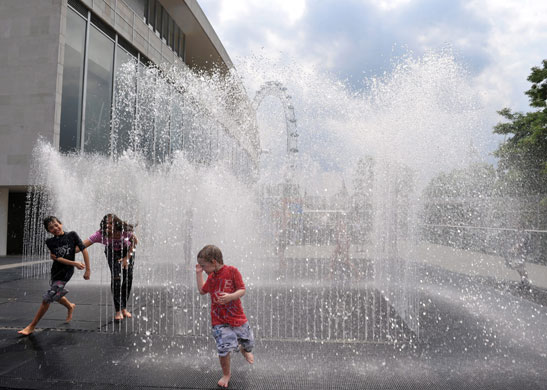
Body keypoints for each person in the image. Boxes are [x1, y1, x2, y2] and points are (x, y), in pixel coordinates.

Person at [18, 216, 91, 336]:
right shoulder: (50, 242)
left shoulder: (72, 235)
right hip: (56, 271)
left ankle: (32, 326)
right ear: (48, 231)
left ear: (61, 224)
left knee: (48, 297)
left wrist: (88, 270)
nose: (55, 228)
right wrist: (75, 263)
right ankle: (70, 306)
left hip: (66, 272)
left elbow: (84, 250)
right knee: (56, 295)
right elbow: (58, 259)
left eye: (56, 225)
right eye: (51, 228)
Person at [195, 245, 254, 388]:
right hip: (219, 320)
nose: (203, 269)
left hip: (238, 318)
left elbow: (242, 290)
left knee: (249, 343)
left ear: (214, 262)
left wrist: (230, 297)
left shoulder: (232, 271)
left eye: (204, 266)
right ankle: (226, 374)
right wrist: (198, 274)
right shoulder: (211, 277)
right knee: (223, 348)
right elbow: (203, 291)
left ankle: (244, 349)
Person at [79, 214, 138, 321]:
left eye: (111, 223)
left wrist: (126, 258)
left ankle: (124, 307)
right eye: (106, 223)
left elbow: (135, 242)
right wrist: (66, 250)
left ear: (116, 223)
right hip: (112, 252)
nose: (108, 225)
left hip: (127, 252)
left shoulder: (124, 231)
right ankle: (118, 311)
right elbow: (81, 246)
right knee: (116, 278)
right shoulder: (100, 234)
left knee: (128, 278)